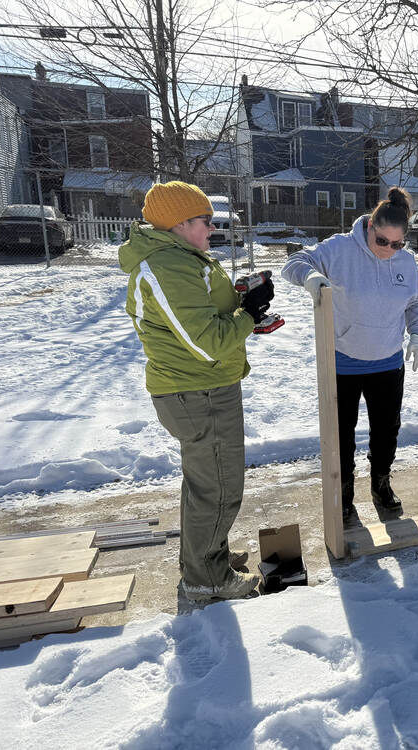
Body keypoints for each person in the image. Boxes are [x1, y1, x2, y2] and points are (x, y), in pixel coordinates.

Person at [119, 181, 271, 601]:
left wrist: (240, 300)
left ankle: (208, 558)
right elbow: (207, 341)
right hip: (198, 393)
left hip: (201, 388)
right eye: (206, 221)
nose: (212, 228)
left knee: (205, 485)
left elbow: (201, 314)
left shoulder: (181, 259)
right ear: (180, 223)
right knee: (219, 488)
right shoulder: (168, 267)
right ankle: (206, 581)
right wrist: (249, 314)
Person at [282, 187, 418, 527]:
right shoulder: (340, 249)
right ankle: (344, 492)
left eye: (397, 244)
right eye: (382, 242)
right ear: (370, 227)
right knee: (342, 432)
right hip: (343, 360)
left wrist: (416, 334)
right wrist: (311, 276)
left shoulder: (406, 261)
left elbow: (413, 303)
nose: (389, 250)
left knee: (386, 430)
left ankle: (380, 484)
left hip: (388, 361)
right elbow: (293, 263)